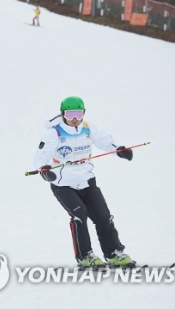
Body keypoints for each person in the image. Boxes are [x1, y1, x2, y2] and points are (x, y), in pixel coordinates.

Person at [32, 96, 135, 268]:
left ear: (83, 114)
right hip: (63, 185)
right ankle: (85, 257)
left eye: (78, 114)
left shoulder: (88, 128)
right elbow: (40, 156)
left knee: (103, 216)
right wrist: (44, 169)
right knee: (79, 216)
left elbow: (106, 140)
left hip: (87, 181)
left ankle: (114, 253)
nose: (74, 118)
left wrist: (119, 149)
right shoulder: (54, 133)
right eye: (70, 114)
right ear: (63, 114)